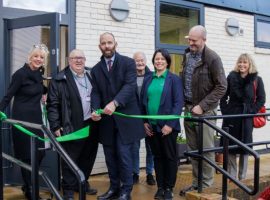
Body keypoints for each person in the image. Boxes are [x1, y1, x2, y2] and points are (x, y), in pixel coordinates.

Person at [91, 32, 145, 200]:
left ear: (116, 43)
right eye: (103, 43)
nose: (107, 46)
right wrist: (94, 109)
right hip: (106, 121)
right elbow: (96, 93)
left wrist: (114, 103)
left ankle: (126, 190)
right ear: (100, 46)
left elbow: (129, 86)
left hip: (126, 119)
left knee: (123, 155)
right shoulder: (95, 69)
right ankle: (114, 188)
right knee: (110, 156)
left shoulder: (128, 63)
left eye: (109, 42)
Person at [179, 25, 227, 196]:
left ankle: (206, 187)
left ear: (204, 40)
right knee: (193, 150)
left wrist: (202, 106)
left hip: (205, 112)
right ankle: (196, 183)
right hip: (189, 110)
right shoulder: (187, 56)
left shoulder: (212, 58)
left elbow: (222, 87)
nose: (190, 43)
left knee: (206, 151)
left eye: (194, 40)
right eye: (189, 39)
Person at [46, 49, 99, 200]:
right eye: (74, 58)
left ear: (85, 60)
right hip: (71, 125)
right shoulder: (60, 79)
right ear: (69, 60)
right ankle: (68, 188)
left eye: (81, 58)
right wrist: (55, 125)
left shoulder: (91, 75)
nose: (78, 61)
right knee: (70, 157)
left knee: (88, 156)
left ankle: (81, 183)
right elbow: (53, 104)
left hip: (91, 124)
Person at [0, 44, 49, 199]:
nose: (38, 59)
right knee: (27, 156)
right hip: (22, 120)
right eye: (36, 56)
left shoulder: (40, 74)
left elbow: (38, 88)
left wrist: (45, 92)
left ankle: (27, 185)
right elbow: (8, 95)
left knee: (39, 154)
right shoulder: (20, 74)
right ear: (30, 57)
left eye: (42, 57)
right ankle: (30, 189)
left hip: (36, 119)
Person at [141, 48, 184, 200]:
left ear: (167, 62)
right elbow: (143, 103)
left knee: (170, 158)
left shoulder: (174, 79)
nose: (159, 61)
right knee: (157, 157)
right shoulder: (148, 79)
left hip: (167, 128)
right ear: (153, 61)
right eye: (156, 59)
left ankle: (169, 188)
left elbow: (178, 103)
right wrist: (145, 122)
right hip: (152, 127)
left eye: (162, 59)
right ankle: (160, 187)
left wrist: (170, 124)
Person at [220, 53, 265, 180]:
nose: (242, 65)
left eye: (245, 62)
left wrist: (251, 111)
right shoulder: (231, 77)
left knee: (245, 147)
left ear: (249, 64)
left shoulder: (257, 80)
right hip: (232, 116)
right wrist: (225, 111)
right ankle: (232, 177)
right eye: (240, 62)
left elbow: (261, 99)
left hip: (246, 117)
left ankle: (242, 177)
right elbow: (223, 96)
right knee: (231, 146)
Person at [131, 51, 156, 185]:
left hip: (149, 115)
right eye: (137, 60)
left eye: (142, 60)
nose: (140, 63)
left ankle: (149, 173)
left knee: (150, 147)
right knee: (134, 147)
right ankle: (135, 173)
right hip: (135, 117)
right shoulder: (129, 77)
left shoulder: (152, 77)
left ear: (146, 62)